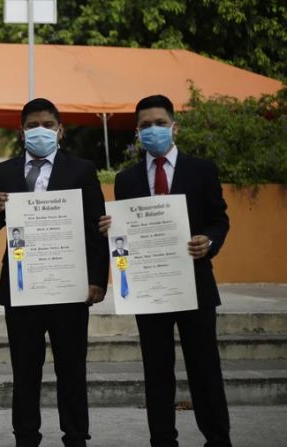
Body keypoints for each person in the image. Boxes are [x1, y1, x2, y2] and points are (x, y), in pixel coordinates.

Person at [99, 95, 231, 447]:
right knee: (157, 373)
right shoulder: (126, 179)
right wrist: (111, 227)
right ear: (137, 133)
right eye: (144, 126)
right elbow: (124, 232)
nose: (152, 130)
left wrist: (210, 241)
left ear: (175, 126)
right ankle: (162, 441)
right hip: (148, 289)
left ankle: (218, 440)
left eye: (159, 123)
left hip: (195, 284)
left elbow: (219, 219)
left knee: (205, 370)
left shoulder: (201, 169)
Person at [0, 98, 108, 447]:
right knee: (25, 370)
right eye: (33, 125)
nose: (41, 131)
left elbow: (97, 227)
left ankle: (76, 437)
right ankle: (26, 438)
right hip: (21, 288)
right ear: (22, 131)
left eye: (48, 125)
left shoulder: (81, 170)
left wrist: (98, 278)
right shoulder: (4, 172)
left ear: (60, 130)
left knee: (72, 370)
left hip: (69, 287)